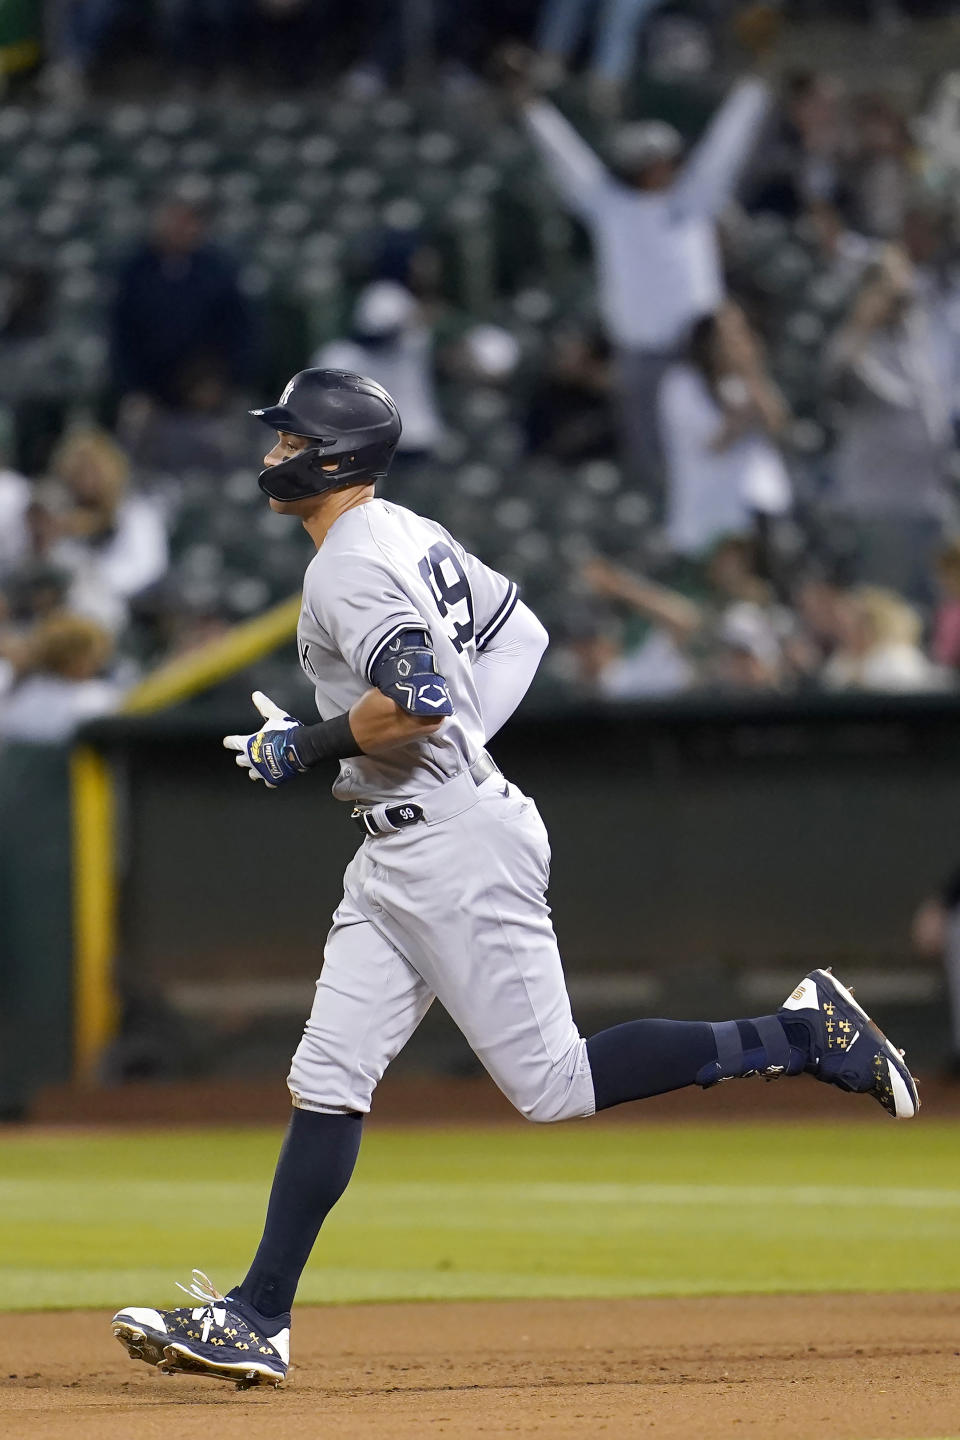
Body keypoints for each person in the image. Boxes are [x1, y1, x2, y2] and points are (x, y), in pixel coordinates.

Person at [111, 368, 919, 1391]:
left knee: (554, 1086)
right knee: (329, 1077)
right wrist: (446, 753)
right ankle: (256, 1316)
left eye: (288, 439)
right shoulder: (404, 530)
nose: (272, 454)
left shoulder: (347, 566)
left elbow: (419, 696)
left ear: (332, 456)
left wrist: (306, 747)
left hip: (454, 849)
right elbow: (519, 635)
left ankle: (807, 1035)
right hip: (404, 845)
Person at [506, 38, 772, 494]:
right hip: (640, 358)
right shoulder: (613, 207)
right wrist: (530, 106)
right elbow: (567, 159)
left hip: (701, 355)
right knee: (653, 464)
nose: (667, 168)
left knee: (724, 451)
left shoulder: (693, 200)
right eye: (659, 161)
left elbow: (725, 147)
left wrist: (754, 88)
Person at [659, 302, 792, 559]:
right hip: (709, 514)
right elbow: (716, 443)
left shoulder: (744, 383)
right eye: (729, 336)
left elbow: (777, 425)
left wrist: (754, 374)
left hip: (757, 508)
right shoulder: (682, 385)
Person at [0, 611, 121, 743]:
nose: (98, 663)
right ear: (76, 658)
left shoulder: (18, 692)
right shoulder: (95, 700)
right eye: (93, 657)